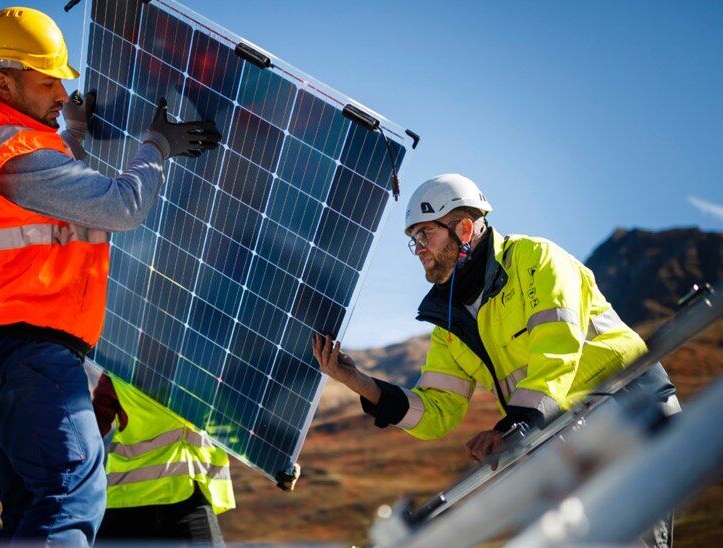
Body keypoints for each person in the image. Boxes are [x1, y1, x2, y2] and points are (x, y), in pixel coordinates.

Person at [0, 7, 220, 544]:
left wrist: (75, 138)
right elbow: (121, 207)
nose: (61, 95)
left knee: (33, 509)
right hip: (27, 354)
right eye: (47, 82)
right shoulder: (13, 156)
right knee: (73, 494)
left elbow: (56, 209)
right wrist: (158, 145)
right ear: (4, 82)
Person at [312, 173, 679, 546]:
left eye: (426, 235)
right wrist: (359, 382)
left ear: (466, 229)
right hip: (562, 431)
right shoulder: (449, 323)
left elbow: (556, 352)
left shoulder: (536, 261)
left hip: (629, 406)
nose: (418, 248)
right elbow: (437, 411)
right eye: (414, 240)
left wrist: (510, 428)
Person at [92, 373, 235, 545]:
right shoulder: (208, 372)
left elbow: (91, 429)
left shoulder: (117, 373)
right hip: (175, 496)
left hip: (130, 498)